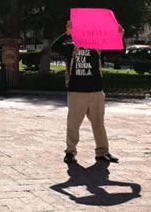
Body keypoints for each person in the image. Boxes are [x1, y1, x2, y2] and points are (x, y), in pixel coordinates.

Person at [51, 20, 123, 164]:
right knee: (73, 124)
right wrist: (67, 33)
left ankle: (102, 152)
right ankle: (70, 152)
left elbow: (118, 50)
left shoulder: (98, 47)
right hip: (77, 92)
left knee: (99, 124)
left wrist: (119, 36)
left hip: (96, 91)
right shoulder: (72, 47)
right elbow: (55, 46)